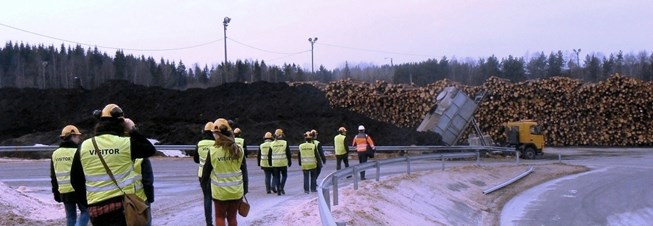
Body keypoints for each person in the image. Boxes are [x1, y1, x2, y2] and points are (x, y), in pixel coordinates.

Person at [70, 103, 156, 226]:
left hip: (97, 210)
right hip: (121, 207)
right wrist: (132, 130)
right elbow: (150, 149)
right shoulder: (125, 143)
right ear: (121, 123)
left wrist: (89, 203)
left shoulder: (84, 146)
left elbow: (75, 180)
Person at [201, 118, 248, 226]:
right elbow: (244, 172)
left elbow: (205, 173)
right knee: (232, 218)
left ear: (216, 135)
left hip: (220, 193)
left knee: (220, 217)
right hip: (236, 191)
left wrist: (205, 187)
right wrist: (245, 189)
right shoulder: (239, 150)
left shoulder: (213, 151)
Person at [50, 125, 90, 226]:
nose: (79, 138)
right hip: (78, 189)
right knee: (86, 212)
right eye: (77, 136)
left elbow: (53, 176)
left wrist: (56, 192)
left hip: (64, 191)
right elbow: (84, 172)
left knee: (70, 217)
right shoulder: (78, 152)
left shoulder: (55, 154)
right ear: (72, 136)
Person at [194, 122, 216, 226]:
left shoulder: (200, 144)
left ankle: (209, 222)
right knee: (218, 199)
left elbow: (196, 159)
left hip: (202, 175)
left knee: (207, 198)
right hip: (215, 175)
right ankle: (219, 219)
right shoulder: (216, 143)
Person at [269, 128, 291, 196]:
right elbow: (288, 153)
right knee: (284, 175)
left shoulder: (272, 143)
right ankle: (281, 187)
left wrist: (270, 162)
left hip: (275, 163)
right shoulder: (285, 143)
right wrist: (289, 161)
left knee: (277, 177)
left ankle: (278, 190)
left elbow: (269, 154)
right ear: (281, 135)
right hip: (283, 163)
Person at [133, 158, 154, 226]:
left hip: (120, 198)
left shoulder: (118, 156)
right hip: (140, 200)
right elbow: (148, 183)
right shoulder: (142, 159)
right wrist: (150, 199)